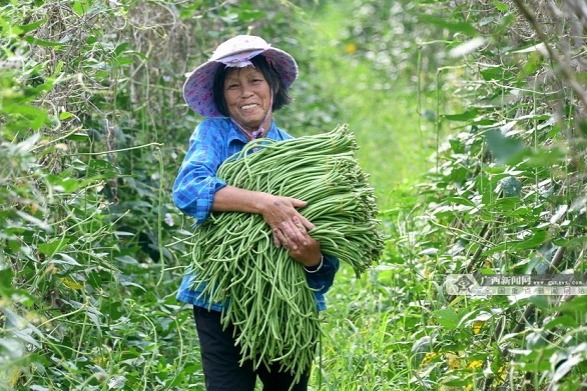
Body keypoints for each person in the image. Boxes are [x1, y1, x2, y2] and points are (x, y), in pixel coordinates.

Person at [172, 35, 340, 391]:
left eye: (255, 81)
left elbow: (326, 262)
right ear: (222, 96)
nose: (245, 92)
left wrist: (311, 258)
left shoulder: (298, 157)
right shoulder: (213, 135)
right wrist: (266, 204)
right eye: (233, 86)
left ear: (273, 86)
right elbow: (188, 189)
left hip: (288, 304)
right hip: (218, 299)